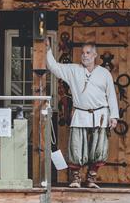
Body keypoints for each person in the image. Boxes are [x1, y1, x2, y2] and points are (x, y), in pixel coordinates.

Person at [46, 39, 119, 188]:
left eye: (88, 53)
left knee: (99, 148)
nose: (85, 56)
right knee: (76, 147)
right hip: (80, 114)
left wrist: (114, 116)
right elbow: (53, 67)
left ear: (95, 55)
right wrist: (47, 50)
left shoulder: (104, 73)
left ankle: (91, 179)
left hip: (100, 115)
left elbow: (111, 95)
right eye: (83, 53)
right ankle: (75, 179)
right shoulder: (73, 70)